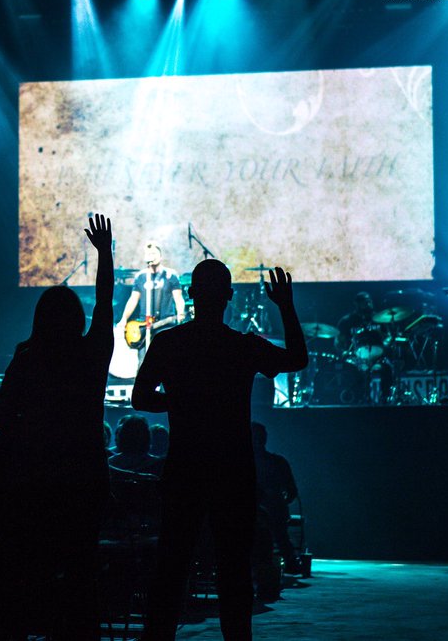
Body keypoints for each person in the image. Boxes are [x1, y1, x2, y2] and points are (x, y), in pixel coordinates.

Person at [131, 260, 307, 641]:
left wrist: (177, 401)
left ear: (191, 295)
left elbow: (140, 397)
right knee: (234, 571)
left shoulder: (168, 344)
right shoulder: (242, 347)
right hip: (233, 471)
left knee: (172, 566)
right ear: (229, 297)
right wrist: (286, 307)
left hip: (184, 469)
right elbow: (297, 359)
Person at [0, 213, 114, 638]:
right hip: (84, 477)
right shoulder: (92, 354)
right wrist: (105, 255)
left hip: (36, 479)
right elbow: (104, 305)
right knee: (81, 569)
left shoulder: (26, 359)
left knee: (33, 569)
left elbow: (2, 415)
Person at [117, 242, 187, 362]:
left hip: (165, 324)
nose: (151, 256)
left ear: (160, 256)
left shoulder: (170, 275)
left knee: (166, 359)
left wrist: (180, 312)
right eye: (149, 254)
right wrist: (124, 319)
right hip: (145, 325)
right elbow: (133, 299)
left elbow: (178, 297)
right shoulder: (141, 277)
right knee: (144, 362)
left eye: (154, 253)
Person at [251, 422, 302, 574]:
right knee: (281, 536)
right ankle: (289, 561)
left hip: (267, 510)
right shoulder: (278, 462)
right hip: (274, 509)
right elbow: (292, 491)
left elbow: (291, 491)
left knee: (279, 534)